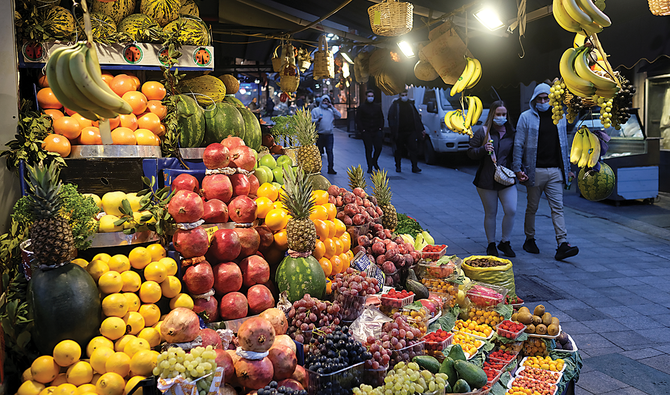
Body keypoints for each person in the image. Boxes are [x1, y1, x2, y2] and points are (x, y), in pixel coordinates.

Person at [512, 83, 579, 261]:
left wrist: (568, 169)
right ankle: (529, 239)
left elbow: (564, 144)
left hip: (555, 171)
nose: (543, 101)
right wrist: (517, 169)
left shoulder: (560, 117)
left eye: (546, 98)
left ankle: (562, 244)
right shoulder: (525, 118)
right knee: (532, 207)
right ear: (534, 99)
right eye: (540, 98)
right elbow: (518, 144)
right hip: (534, 171)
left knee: (558, 208)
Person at [467, 101, 518, 257]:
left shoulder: (512, 132)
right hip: (486, 179)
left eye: (504, 114)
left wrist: (519, 170)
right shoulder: (483, 131)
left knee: (511, 210)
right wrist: (483, 149)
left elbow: (516, 154)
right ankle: (491, 244)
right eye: (498, 114)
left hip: (506, 178)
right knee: (491, 213)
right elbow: (470, 152)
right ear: (492, 115)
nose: (501, 117)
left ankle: (505, 242)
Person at [387, 90, 424, 173]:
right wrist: (393, 129)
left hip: (410, 131)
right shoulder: (396, 105)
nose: (404, 96)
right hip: (399, 131)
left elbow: (416, 117)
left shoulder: (411, 104)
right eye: (402, 95)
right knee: (399, 150)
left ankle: (415, 166)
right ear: (399, 96)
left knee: (413, 149)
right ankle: (398, 166)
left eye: (405, 95)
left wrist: (421, 128)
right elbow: (391, 117)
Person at [311, 95, 341, 174]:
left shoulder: (331, 111)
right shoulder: (316, 110)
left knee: (329, 152)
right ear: (321, 101)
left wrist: (332, 107)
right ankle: (318, 168)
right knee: (319, 153)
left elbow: (339, 116)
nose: (325, 102)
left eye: (327, 101)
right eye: (324, 101)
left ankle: (330, 168)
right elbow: (310, 120)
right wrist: (317, 120)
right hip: (319, 134)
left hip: (329, 135)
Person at [356, 90, 384, 173]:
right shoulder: (362, 107)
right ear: (366, 97)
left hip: (376, 130)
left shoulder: (377, 107)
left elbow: (381, 117)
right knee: (368, 149)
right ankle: (370, 166)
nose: (370, 97)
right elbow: (358, 119)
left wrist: (380, 128)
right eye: (369, 96)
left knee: (378, 147)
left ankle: (374, 161)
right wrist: (362, 130)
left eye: (372, 96)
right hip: (367, 131)